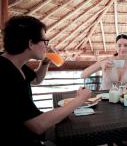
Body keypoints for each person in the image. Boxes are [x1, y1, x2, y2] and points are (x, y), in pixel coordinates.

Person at [0, 15, 91, 146]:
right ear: (30, 43)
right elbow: (38, 125)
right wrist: (80, 100)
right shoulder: (6, 74)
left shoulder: (13, 63)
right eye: (44, 41)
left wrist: (45, 63)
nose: (46, 46)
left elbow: (36, 80)